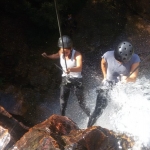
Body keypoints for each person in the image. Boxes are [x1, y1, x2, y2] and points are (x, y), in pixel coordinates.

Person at [87, 41, 140, 127]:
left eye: (121, 61)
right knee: (98, 110)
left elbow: (134, 78)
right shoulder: (108, 55)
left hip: (122, 88)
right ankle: (87, 129)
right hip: (108, 84)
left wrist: (127, 79)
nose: (119, 62)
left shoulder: (135, 59)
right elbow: (103, 63)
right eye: (117, 59)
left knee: (121, 112)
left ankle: (120, 132)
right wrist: (104, 76)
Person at [41, 35, 90, 117]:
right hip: (66, 78)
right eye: (63, 52)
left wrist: (70, 69)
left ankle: (90, 115)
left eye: (66, 52)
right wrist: (48, 56)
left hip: (77, 79)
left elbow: (79, 68)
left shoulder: (77, 55)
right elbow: (56, 55)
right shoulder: (61, 52)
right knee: (63, 101)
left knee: (81, 103)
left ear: (71, 48)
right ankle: (62, 117)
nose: (64, 54)